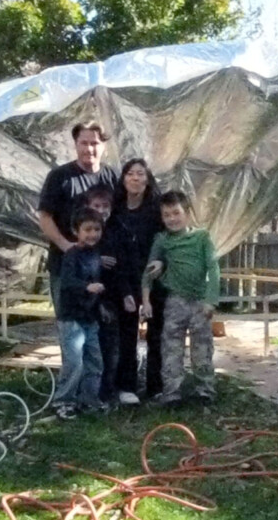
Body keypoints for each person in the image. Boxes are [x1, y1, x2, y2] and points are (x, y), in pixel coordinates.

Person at [141, 190, 220, 406]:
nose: (172, 219)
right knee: (171, 348)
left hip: (199, 301)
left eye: (176, 213)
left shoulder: (202, 237)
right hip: (174, 301)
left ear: (187, 213)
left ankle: (205, 390)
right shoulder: (162, 240)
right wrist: (146, 301)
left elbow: (213, 268)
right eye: (166, 215)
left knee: (202, 347)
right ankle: (172, 393)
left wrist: (211, 300)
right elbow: (148, 271)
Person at [38, 121, 117, 311]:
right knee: (71, 328)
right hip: (67, 267)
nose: (89, 149)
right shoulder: (59, 177)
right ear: (75, 144)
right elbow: (44, 217)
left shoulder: (113, 177)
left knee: (103, 331)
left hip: (102, 268)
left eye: (95, 143)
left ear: (104, 145)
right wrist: (67, 246)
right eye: (84, 143)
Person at [112, 159, 166, 404]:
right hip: (124, 278)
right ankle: (127, 386)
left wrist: (162, 263)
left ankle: (156, 386)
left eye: (140, 174)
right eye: (130, 173)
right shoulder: (115, 209)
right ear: (123, 179)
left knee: (157, 332)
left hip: (154, 279)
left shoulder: (156, 210)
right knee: (127, 333)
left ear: (147, 179)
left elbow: (168, 240)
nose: (135, 178)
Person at [52, 207, 107, 419]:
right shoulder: (71, 255)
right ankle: (63, 401)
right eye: (87, 229)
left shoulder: (95, 255)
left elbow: (97, 284)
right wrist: (86, 287)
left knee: (95, 360)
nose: (92, 234)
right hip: (71, 318)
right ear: (76, 231)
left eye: (96, 229)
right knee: (74, 362)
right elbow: (66, 283)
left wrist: (99, 305)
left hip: (90, 317)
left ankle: (89, 399)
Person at [81, 185, 130, 404]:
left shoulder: (115, 233)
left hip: (111, 300)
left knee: (111, 348)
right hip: (88, 302)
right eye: (96, 206)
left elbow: (121, 268)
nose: (101, 210)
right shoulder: (83, 236)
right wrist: (96, 260)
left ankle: (107, 391)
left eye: (105, 206)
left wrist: (127, 293)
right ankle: (87, 393)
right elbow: (78, 269)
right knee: (88, 349)